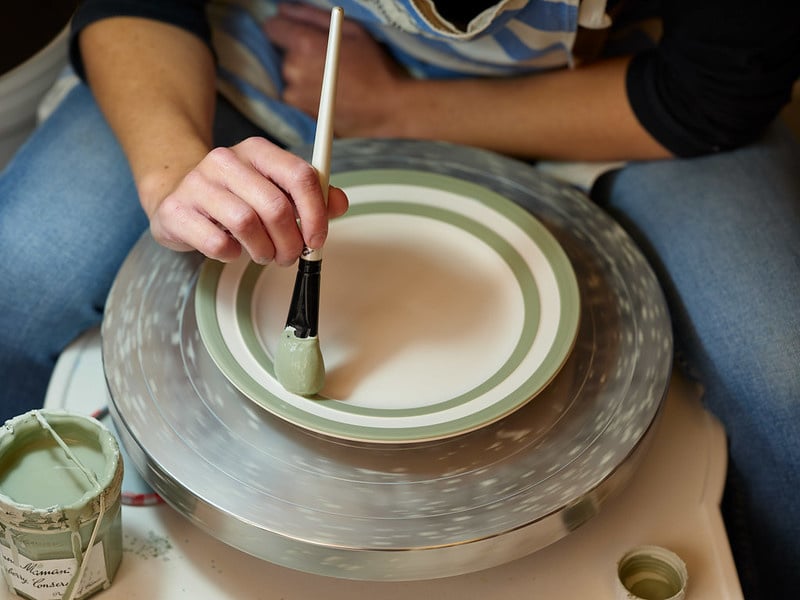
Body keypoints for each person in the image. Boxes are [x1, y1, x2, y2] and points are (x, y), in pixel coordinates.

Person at [0, 0, 797, 597]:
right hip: (271, 67)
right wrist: (174, 170)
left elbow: (707, 95)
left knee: (785, 376)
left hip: (595, 94)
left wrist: (398, 109)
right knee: (20, 278)